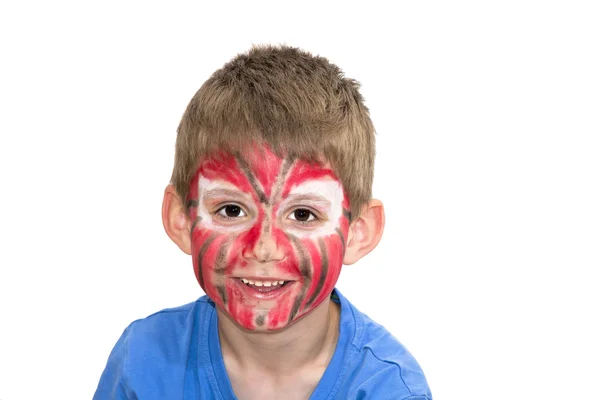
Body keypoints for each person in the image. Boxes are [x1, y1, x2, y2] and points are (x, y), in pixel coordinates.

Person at [94, 45, 431, 400]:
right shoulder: (143, 362)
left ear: (359, 231)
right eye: (231, 210)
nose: (264, 248)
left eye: (303, 214)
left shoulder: (388, 389)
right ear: (181, 218)